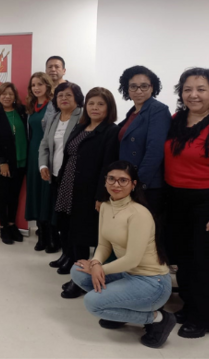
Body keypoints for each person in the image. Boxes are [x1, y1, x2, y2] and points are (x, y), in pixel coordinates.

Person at [164, 68, 209, 338]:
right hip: (175, 199)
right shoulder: (176, 120)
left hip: (205, 202)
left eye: (201, 89)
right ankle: (189, 305)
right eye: (187, 89)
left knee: (203, 263)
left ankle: (204, 318)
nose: (193, 95)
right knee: (183, 259)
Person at [70, 160, 175, 349]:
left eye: (123, 180)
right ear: (105, 181)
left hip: (152, 283)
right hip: (128, 275)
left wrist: (98, 267)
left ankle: (159, 318)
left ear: (133, 184)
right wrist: (95, 263)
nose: (116, 184)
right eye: (111, 179)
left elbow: (132, 259)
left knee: (93, 304)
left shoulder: (139, 214)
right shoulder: (106, 206)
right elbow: (103, 244)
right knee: (78, 270)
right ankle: (119, 308)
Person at [55, 87, 120, 299]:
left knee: (83, 236)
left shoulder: (110, 131)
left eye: (100, 104)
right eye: (91, 103)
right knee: (70, 232)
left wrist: (101, 195)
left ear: (109, 107)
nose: (95, 108)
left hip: (88, 190)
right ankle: (77, 274)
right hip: (68, 186)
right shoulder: (81, 127)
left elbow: (108, 166)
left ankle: (82, 281)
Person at [117, 66, 171, 216]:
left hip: (146, 185)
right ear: (127, 89)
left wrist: (138, 184)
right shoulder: (133, 112)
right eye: (133, 86)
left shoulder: (158, 110)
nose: (139, 91)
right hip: (128, 181)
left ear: (152, 87)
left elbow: (155, 151)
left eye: (144, 86)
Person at [39, 82, 83, 259]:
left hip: (74, 177)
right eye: (60, 95)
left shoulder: (83, 117)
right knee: (61, 219)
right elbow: (44, 145)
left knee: (73, 220)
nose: (64, 98)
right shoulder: (54, 118)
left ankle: (74, 257)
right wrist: (43, 165)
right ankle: (65, 255)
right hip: (56, 175)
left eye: (68, 95)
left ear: (77, 98)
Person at [0, 82, 27, 245]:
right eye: (4, 94)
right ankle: (3, 227)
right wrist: (1, 162)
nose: (7, 97)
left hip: (21, 161)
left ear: (15, 96)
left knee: (15, 195)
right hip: (3, 163)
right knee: (2, 195)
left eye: (10, 94)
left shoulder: (22, 111)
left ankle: (12, 225)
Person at [24, 72, 57, 252]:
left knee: (48, 194)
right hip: (32, 155)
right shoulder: (31, 106)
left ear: (47, 86)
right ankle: (41, 235)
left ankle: (52, 236)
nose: (36, 88)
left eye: (39, 84)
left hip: (48, 155)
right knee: (35, 193)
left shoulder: (54, 106)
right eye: (33, 85)